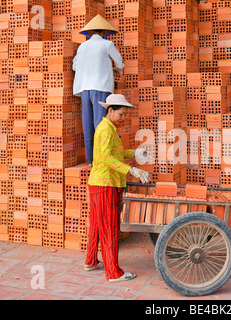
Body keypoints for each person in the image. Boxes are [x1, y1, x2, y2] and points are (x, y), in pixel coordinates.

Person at [84, 94, 151, 282]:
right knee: (110, 228)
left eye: (125, 115)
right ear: (110, 110)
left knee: (97, 225)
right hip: (106, 184)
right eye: (121, 114)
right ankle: (113, 272)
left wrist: (134, 153)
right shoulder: (105, 129)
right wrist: (132, 170)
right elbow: (105, 157)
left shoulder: (109, 128)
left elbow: (115, 153)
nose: (123, 118)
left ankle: (90, 261)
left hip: (99, 184)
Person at [72, 14, 124, 166]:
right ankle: (102, 159)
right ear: (103, 32)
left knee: (87, 124)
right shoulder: (107, 45)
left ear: (91, 31)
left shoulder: (82, 47)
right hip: (100, 87)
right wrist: (117, 70)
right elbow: (120, 63)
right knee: (101, 125)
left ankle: (91, 161)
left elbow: (75, 66)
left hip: (84, 89)